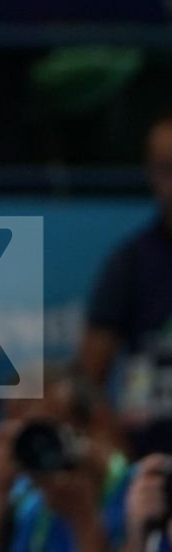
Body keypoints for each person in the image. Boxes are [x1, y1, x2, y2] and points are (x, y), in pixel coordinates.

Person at [0, 366, 135, 552]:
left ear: (94, 425)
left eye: (44, 433)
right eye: (25, 436)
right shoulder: (30, 505)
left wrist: (83, 519)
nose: (37, 448)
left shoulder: (139, 494)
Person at [80, 113, 172, 457]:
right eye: (166, 168)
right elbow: (88, 379)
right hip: (149, 464)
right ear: (150, 174)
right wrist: (119, 454)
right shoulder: (131, 263)